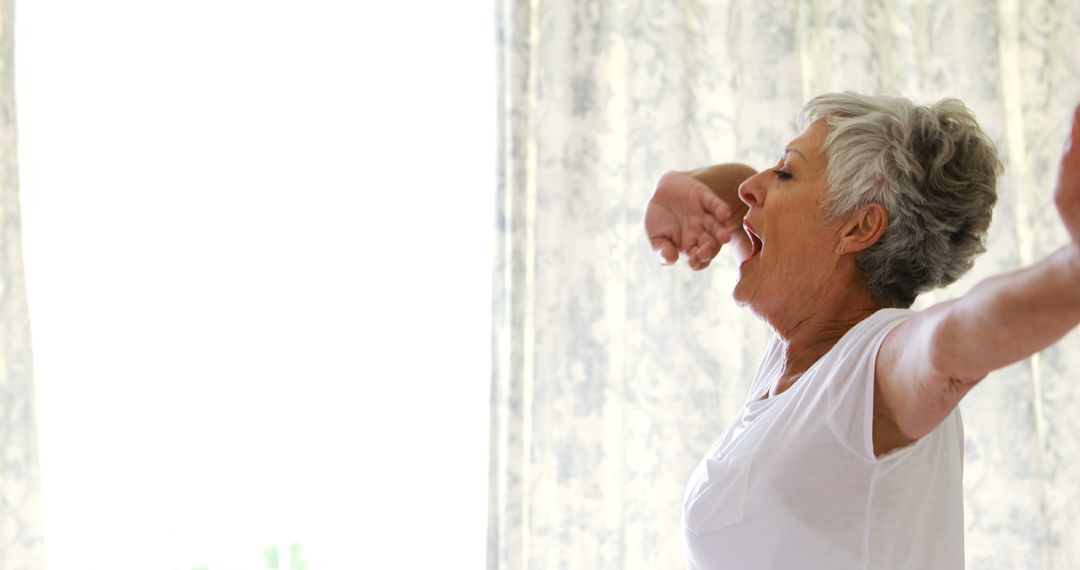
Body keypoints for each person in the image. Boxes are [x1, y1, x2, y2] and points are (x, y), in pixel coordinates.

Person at [643, 92, 1080, 569]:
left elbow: (960, 334)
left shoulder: (872, 368)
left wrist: (1072, 270)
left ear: (858, 228)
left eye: (786, 173)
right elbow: (734, 194)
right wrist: (687, 184)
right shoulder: (802, 356)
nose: (751, 187)